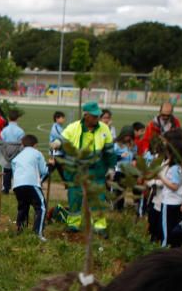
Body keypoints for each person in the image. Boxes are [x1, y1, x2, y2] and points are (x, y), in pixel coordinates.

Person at [61, 101, 114, 232]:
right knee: (74, 198)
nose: (97, 119)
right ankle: (73, 224)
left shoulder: (104, 128)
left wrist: (112, 167)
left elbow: (109, 151)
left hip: (97, 171)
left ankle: (99, 226)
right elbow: (62, 143)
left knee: (98, 199)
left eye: (98, 116)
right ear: (86, 116)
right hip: (76, 171)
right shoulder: (73, 128)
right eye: (94, 116)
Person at [12, 134, 50, 239]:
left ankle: (20, 231)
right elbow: (44, 171)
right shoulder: (37, 153)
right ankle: (38, 234)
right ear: (35, 145)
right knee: (41, 207)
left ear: (22, 145)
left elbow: (14, 169)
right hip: (31, 183)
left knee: (23, 207)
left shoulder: (18, 156)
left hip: (17, 185)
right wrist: (50, 165)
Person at [0, 109, 25, 194]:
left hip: (5, 153)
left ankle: (5, 188)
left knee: (6, 171)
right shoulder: (20, 131)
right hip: (16, 153)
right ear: (18, 118)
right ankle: (16, 188)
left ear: (8, 118)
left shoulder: (4, 130)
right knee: (16, 172)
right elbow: (22, 144)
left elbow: (1, 142)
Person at [48, 111, 67, 182]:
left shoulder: (59, 127)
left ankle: (66, 183)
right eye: (62, 118)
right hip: (55, 152)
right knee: (52, 167)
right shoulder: (56, 128)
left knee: (61, 168)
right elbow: (63, 137)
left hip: (59, 152)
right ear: (57, 119)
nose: (64, 119)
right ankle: (40, 180)